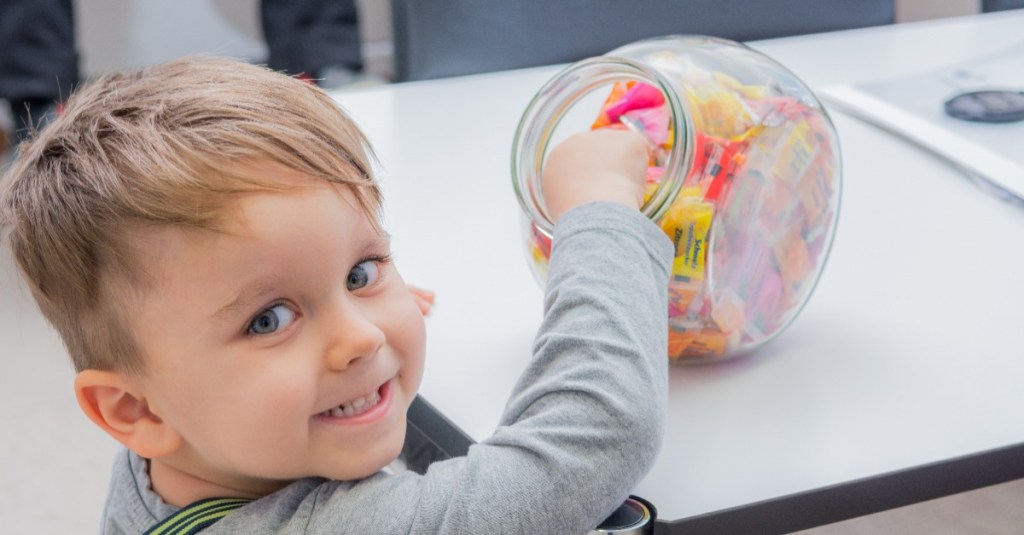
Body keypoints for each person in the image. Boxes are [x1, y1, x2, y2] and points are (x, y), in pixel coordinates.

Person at [0, 57, 671, 534]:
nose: (363, 337)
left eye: (361, 271)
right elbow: (598, 433)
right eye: (268, 317)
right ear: (133, 407)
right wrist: (598, 211)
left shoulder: (178, 452)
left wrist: (329, 302)